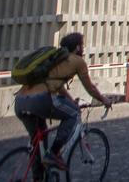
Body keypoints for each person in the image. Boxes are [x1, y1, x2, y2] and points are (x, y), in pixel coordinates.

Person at [14, 33, 113, 174]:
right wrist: (104, 100)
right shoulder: (78, 61)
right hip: (40, 99)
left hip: (20, 102)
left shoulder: (55, 59)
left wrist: (71, 101)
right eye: (82, 45)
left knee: (39, 141)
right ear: (77, 46)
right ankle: (53, 153)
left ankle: (39, 177)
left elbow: (58, 86)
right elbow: (90, 87)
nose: (83, 48)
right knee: (74, 114)